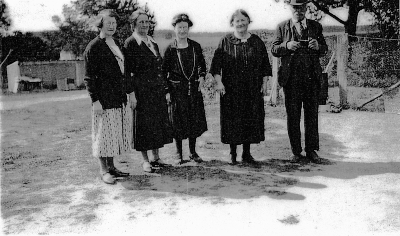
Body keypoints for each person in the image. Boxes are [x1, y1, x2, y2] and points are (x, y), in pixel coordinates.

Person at [210, 9, 272, 165]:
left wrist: (264, 84)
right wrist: (219, 82)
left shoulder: (256, 41)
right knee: (233, 120)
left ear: (248, 21)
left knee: (250, 119)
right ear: (232, 23)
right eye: (237, 21)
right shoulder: (225, 41)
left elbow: (265, 66)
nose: (240, 23)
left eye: (243, 20)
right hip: (231, 90)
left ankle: (246, 153)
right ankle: (232, 154)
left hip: (252, 89)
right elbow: (216, 67)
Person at [271, 0, 328, 163]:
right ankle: (296, 151)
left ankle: (311, 150)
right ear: (290, 9)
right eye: (295, 8)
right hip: (291, 80)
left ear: (306, 9)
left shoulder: (315, 26)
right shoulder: (282, 27)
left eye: (302, 7)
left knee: (312, 116)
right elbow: (274, 49)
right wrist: (287, 45)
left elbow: (325, 49)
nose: (298, 11)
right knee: (293, 117)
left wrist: (318, 46)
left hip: (311, 79)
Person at [83, 9, 132, 184]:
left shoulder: (116, 43)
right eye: (108, 23)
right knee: (103, 135)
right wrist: (95, 100)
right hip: (103, 100)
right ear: (101, 24)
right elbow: (89, 77)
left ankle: (112, 167)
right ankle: (104, 171)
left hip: (118, 98)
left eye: (114, 23)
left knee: (113, 135)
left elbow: (123, 71)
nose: (111, 26)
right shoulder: (94, 46)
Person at [124, 10, 173, 172]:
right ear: (134, 24)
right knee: (143, 126)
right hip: (141, 92)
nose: (145, 25)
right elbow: (127, 72)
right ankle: (145, 161)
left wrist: (165, 90)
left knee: (157, 124)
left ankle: (156, 158)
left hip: (156, 91)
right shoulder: (130, 43)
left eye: (147, 22)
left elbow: (159, 69)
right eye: (141, 22)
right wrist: (131, 94)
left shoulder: (152, 42)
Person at [162, 13, 208, 165]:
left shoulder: (195, 46)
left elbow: (202, 65)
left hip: (193, 89)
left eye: (185, 27)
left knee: (193, 121)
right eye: (179, 27)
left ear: (189, 29)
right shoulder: (170, 49)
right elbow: (163, 72)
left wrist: (201, 77)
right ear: (175, 29)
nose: (182, 30)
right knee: (177, 122)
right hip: (176, 91)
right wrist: (167, 91)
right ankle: (178, 154)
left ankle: (193, 152)